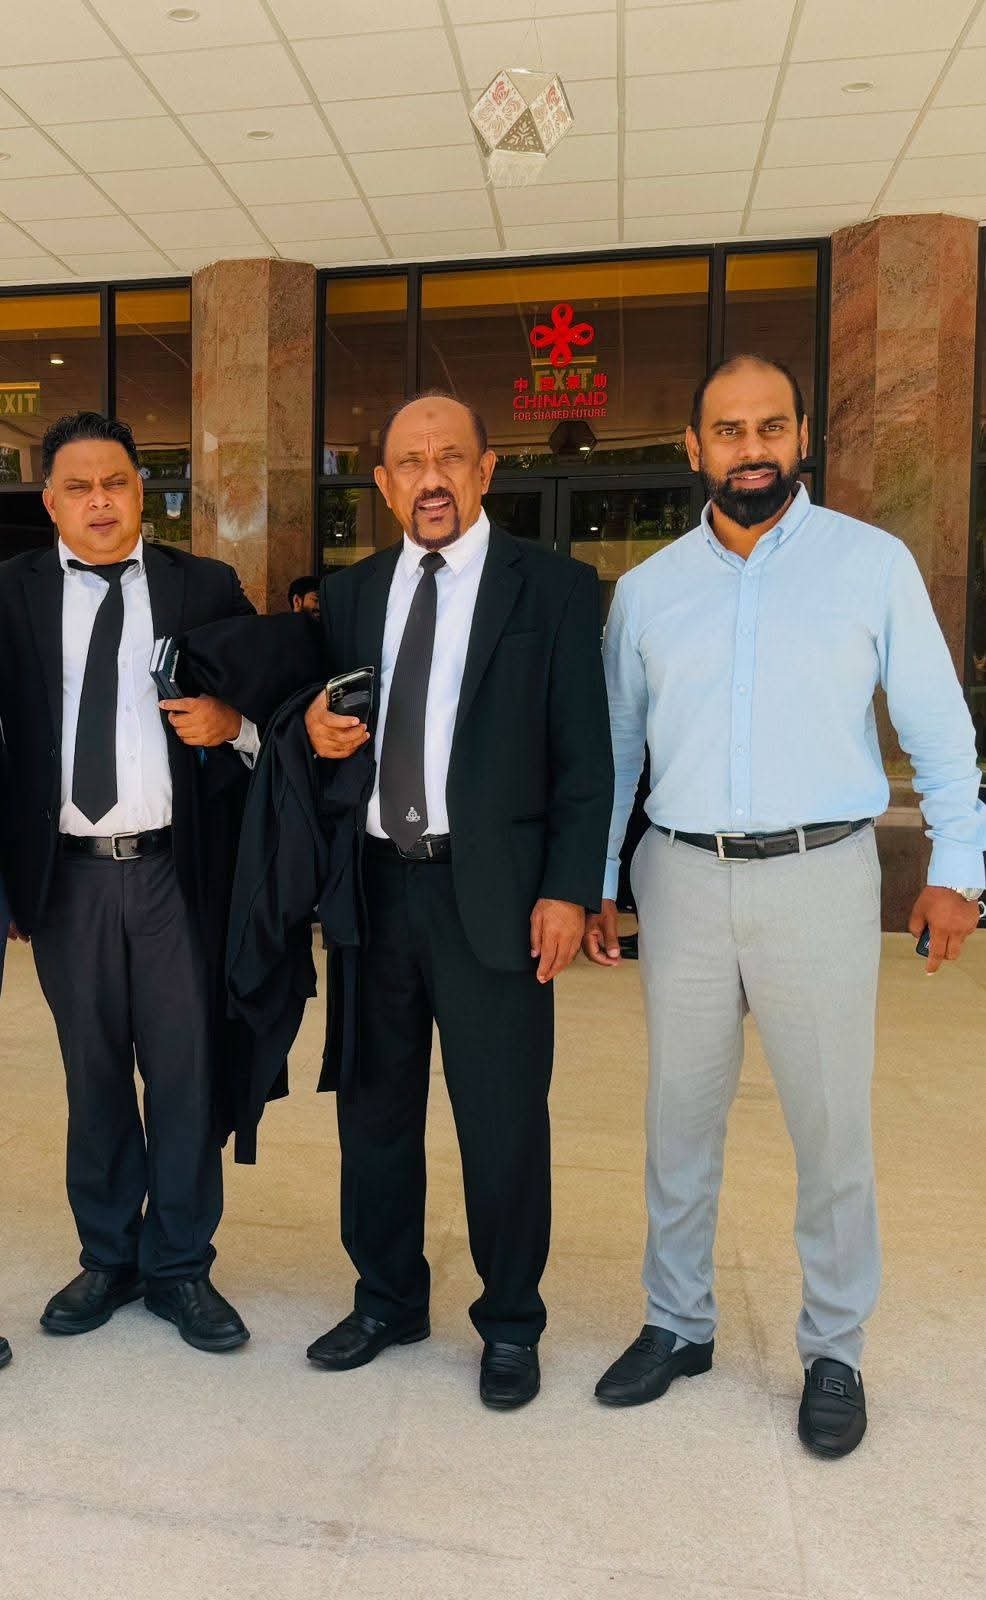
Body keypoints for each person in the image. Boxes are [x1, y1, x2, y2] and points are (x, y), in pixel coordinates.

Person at [584, 355, 986, 1458]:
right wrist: (598, 880)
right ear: (693, 448)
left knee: (829, 1126)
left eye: (769, 427)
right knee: (677, 1120)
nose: (750, 448)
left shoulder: (871, 564)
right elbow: (617, 751)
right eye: (728, 430)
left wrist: (958, 868)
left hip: (819, 874)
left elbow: (938, 726)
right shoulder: (649, 590)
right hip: (681, 876)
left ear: (801, 436)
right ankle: (676, 1322)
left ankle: (834, 1346)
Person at [303, 391, 613, 1408]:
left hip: (497, 898)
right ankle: (387, 1298)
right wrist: (307, 728)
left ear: (485, 470)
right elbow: (318, 729)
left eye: (448, 459)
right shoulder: (351, 595)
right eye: (408, 462)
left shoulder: (553, 589)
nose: (429, 478)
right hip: (373, 893)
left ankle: (511, 1321)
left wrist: (569, 888)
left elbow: (585, 759)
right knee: (374, 1114)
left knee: (502, 1120)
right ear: (384, 483)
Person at [0, 412, 259, 1353]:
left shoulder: (205, 586)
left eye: (115, 482)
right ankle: (109, 1256)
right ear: (50, 502)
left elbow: (273, 704)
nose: (100, 502)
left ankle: (180, 1265)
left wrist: (232, 724)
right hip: (66, 878)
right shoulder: (11, 592)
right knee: (94, 1073)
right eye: (78, 487)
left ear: (143, 490)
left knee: (186, 1073)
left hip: (173, 875)